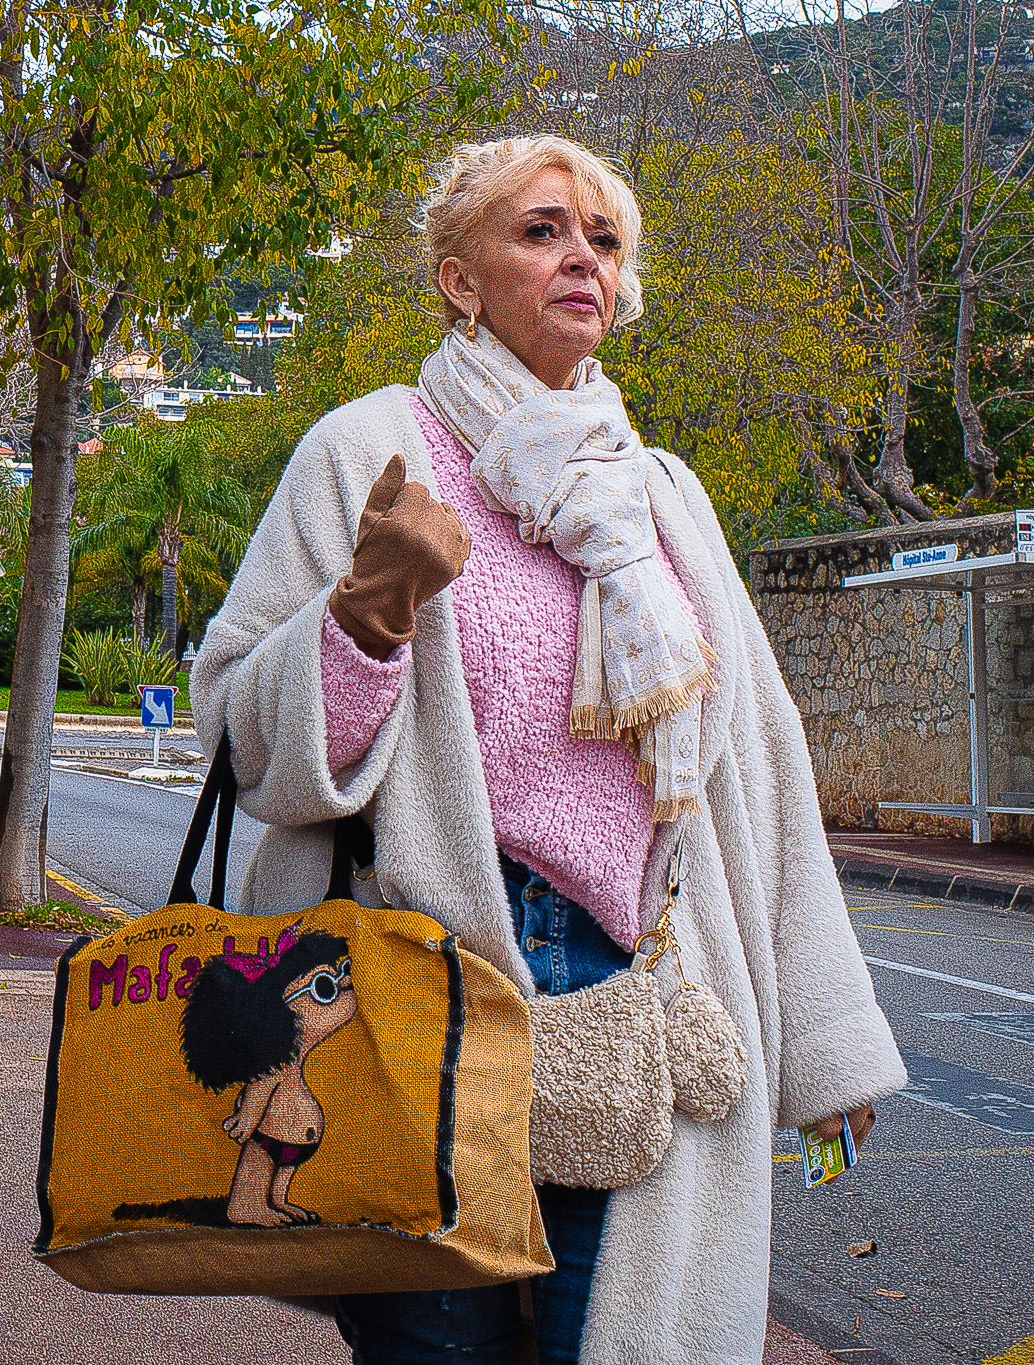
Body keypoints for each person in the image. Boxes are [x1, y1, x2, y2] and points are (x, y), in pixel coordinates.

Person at [188, 135, 908, 1364]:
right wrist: (364, 612)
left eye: (603, 238)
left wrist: (829, 1046)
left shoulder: (661, 495)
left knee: (624, 1342)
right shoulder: (370, 452)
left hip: (643, 988)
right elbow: (244, 741)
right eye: (540, 230)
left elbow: (758, 769)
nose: (582, 255)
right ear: (459, 278)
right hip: (418, 984)